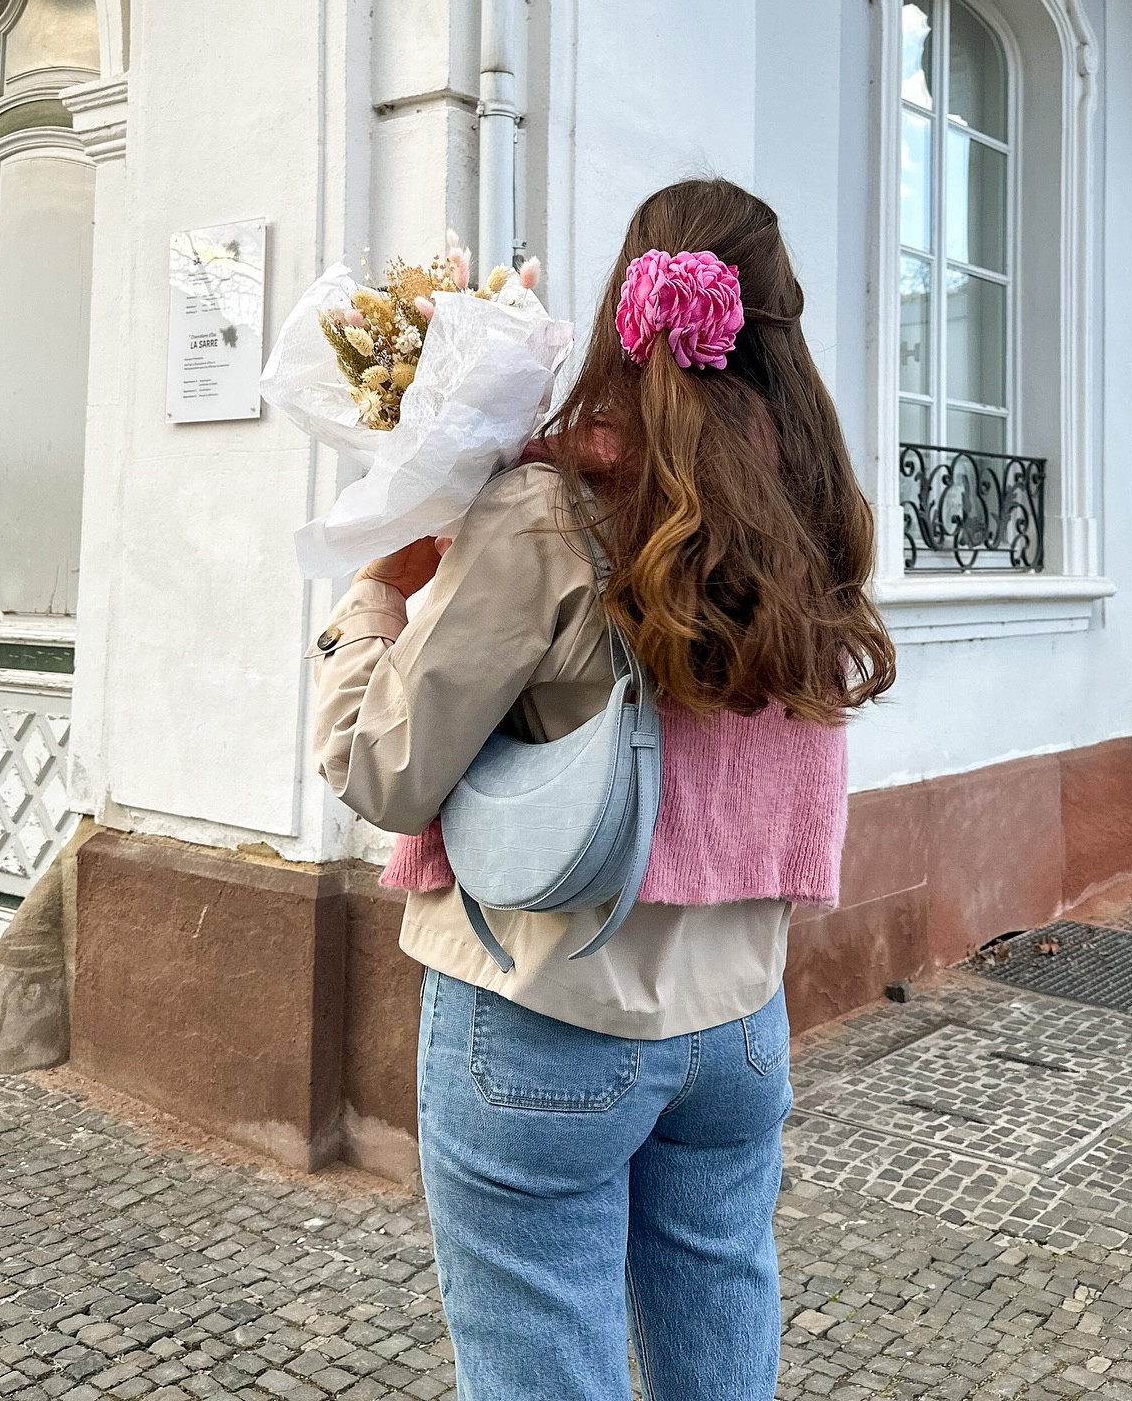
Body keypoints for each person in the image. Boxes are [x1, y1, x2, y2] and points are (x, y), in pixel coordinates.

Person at [313, 178, 895, 1401]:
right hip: (738, 1018)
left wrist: (379, 591)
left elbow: (381, 768)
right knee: (720, 1333)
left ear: (622, 313)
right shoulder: (819, 518)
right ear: (777, 328)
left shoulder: (549, 510)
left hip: (546, 1012)